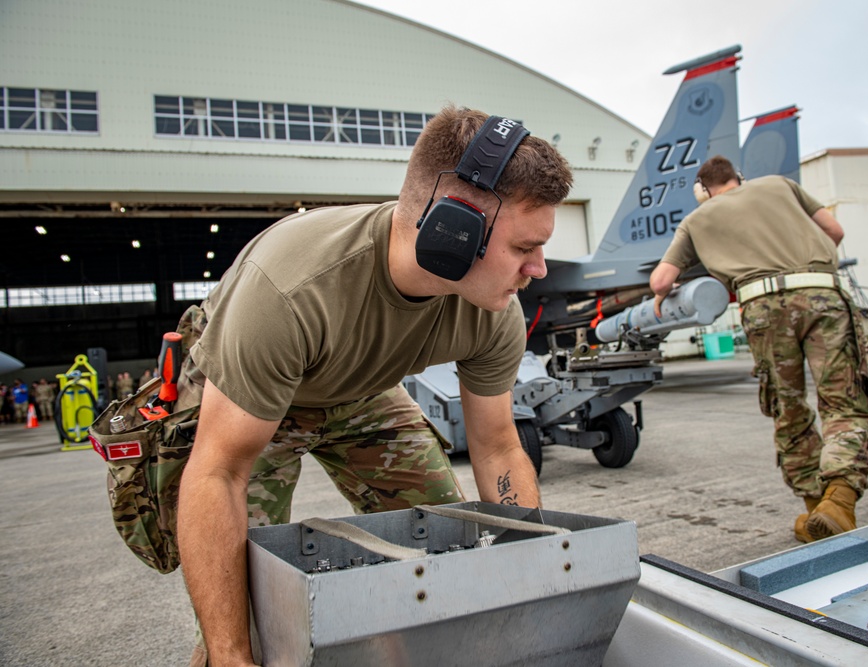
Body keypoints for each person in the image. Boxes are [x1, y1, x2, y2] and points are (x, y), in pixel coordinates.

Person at [173, 105, 572, 666]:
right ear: (451, 235)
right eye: (524, 247)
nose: (540, 269)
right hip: (249, 394)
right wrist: (232, 656)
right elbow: (217, 471)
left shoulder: (494, 311)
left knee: (446, 549)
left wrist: (531, 582)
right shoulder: (291, 290)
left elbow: (499, 446)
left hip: (361, 389)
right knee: (252, 612)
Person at [649, 155, 868, 546]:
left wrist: (663, 296)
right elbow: (835, 231)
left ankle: (814, 508)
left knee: (789, 410)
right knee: (844, 403)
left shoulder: (696, 219)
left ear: (703, 190)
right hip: (822, 293)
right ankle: (838, 502)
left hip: (763, 308)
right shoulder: (780, 184)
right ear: (739, 177)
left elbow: (661, 280)